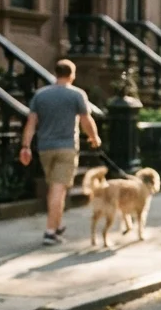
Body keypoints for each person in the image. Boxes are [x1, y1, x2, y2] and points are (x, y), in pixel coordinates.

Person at [19, 59, 101, 246]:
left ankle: (57, 225)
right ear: (72, 75)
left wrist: (25, 146)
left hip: (45, 148)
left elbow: (31, 123)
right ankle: (50, 232)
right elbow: (86, 120)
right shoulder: (77, 94)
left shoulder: (40, 95)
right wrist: (94, 137)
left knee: (56, 188)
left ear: (55, 73)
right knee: (58, 188)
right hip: (67, 147)